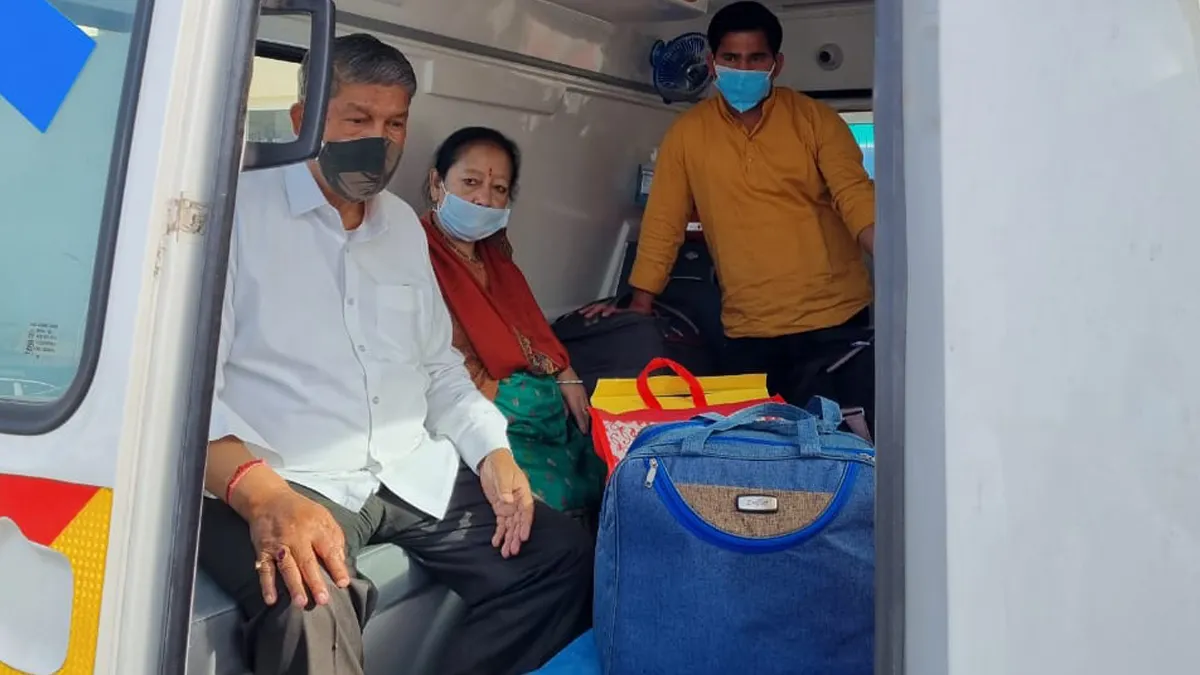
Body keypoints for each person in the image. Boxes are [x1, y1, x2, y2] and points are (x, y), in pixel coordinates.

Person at [198, 34, 592, 675]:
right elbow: (187, 396)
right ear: (302, 121)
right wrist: (265, 496)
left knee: (561, 555)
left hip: (407, 467)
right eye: (357, 119)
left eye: (395, 124)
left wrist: (492, 453)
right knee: (309, 598)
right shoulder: (235, 216)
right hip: (295, 474)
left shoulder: (403, 226)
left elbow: (438, 369)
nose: (377, 140)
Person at [588, 1, 876, 418]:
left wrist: (900, 268)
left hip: (834, 319)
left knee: (839, 443)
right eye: (731, 58)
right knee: (755, 444)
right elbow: (664, 222)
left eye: (755, 58)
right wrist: (639, 304)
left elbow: (855, 195)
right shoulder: (687, 135)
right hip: (748, 329)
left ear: (776, 64)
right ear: (712, 63)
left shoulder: (817, 121)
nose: (743, 68)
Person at [418, 127, 607, 520]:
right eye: (471, 182)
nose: (483, 199)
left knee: (604, 466)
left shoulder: (496, 255)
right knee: (546, 500)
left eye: (499, 189)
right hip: (479, 408)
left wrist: (566, 375)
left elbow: (531, 327)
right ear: (437, 184)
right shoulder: (412, 252)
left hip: (538, 408)